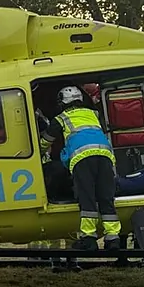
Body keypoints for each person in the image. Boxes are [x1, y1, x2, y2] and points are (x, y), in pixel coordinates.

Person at [41, 85, 120, 250]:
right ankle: (113, 238)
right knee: (106, 197)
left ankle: (88, 238)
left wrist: (38, 152)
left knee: (87, 196)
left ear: (62, 102)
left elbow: (46, 140)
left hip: (83, 158)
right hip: (105, 156)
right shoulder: (94, 114)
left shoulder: (61, 118)